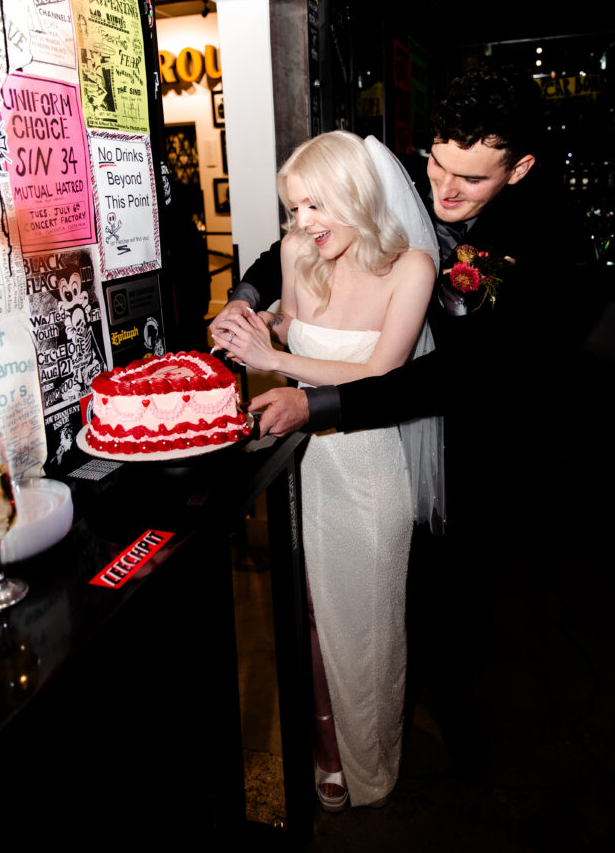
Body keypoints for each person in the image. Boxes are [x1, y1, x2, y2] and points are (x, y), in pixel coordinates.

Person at [212, 66, 571, 776]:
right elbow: (302, 237)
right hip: (374, 405)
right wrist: (250, 294)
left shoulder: (540, 246)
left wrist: (312, 399)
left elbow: (446, 375)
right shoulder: (403, 175)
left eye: (470, 181)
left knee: (454, 591)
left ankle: (458, 718)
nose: (442, 189)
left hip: (473, 425)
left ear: (519, 168)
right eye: (437, 162)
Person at [212, 130, 441, 810]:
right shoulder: (295, 254)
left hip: (367, 475)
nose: (304, 224)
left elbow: (379, 373)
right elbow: (285, 322)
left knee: (363, 627)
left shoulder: (414, 267)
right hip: (295, 468)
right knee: (304, 619)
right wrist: (247, 315)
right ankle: (323, 746)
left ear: (356, 194)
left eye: (316, 206)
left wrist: (275, 359)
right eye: (293, 210)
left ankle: (369, 756)